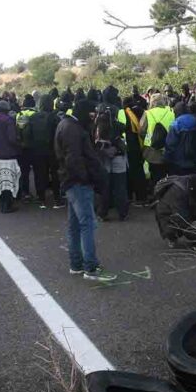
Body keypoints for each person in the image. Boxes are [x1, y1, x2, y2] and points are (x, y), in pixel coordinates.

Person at [54, 99, 115, 282]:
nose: (94, 117)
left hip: (70, 181)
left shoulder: (66, 124)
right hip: (78, 182)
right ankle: (91, 267)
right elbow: (74, 158)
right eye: (91, 113)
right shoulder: (74, 129)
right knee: (87, 223)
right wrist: (87, 178)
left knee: (74, 225)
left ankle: (77, 264)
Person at [94, 92, 129, 221]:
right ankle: (122, 212)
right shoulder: (116, 114)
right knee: (120, 184)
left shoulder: (98, 117)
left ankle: (102, 212)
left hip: (103, 155)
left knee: (104, 185)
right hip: (118, 154)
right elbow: (123, 127)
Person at [26, 92, 63, 209]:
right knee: (55, 174)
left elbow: (27, 135)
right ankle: (57, 199)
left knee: (39, 174)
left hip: (37, 150)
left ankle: (41, 199)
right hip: (53, 150)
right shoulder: (55, 118)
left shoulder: (32, 118)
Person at [0, 100, 22, 213]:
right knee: (10, 180)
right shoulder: (9, 120)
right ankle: (8, 205)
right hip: (9, 155)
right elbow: (12, 138)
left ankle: (1, 203)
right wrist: (19, 144)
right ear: (7, 109)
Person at [140, 93, 175, 197]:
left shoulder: (148, 113)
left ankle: (156, 197)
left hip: (152, 151)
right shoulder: (171, 112)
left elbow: (142, 130)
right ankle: (167, 196)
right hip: (168, 149)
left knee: (155, 176)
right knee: (167, 175)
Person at [165, 101, 196, 176]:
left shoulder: (175, 124)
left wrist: (168, 160)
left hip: (179, 163)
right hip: (195, 161)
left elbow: (170, 145)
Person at [16, 94, 38, 201]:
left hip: (22, 147)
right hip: (34, 147)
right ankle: (39, 193)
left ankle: (25, 192)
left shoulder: (19, 114)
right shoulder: (36, 114)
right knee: (38, 171)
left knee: (23, 171)